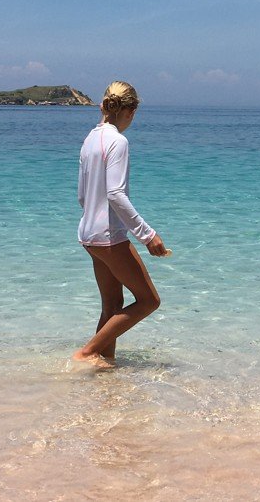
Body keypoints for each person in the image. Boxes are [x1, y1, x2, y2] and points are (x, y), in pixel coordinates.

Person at [72, 81, 171, 368]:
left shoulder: (90, 139)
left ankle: (104, 370)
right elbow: (116, 193)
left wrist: (93, 217)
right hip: (108, 236)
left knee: (112, 307)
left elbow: (81, 194)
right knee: (149, 301)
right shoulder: (118, 141)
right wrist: (147, 234)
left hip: (88, 234)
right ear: (129, 110)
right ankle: (88, 352)